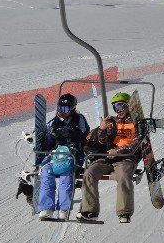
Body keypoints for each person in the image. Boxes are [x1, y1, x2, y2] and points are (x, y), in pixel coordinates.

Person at [77, 92, 141, 224]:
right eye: (115, 107)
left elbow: (136, 144)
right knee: (89, 173)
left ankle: (124, 212)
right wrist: (102, 129)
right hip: (108, 157)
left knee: (123, 175)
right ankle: (90, 211)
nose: (119, 110)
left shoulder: (137, 123)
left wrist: (118, 151)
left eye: (122, 106)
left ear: (129, 106)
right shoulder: (112, 122)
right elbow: (102, 142)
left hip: (126, 158)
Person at [37, 94, 90, 220]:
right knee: (46, 172)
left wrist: (69, 133)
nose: (61, 111)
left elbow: (84, 135)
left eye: (65, 109)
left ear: (72, 109)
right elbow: (46, 145)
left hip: (72, 155)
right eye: (59, 108)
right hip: (55, 156)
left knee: (66, 174)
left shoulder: (78, 119)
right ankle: (47, 208)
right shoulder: (54, 122)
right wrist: (51, 136)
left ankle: (63, 209)